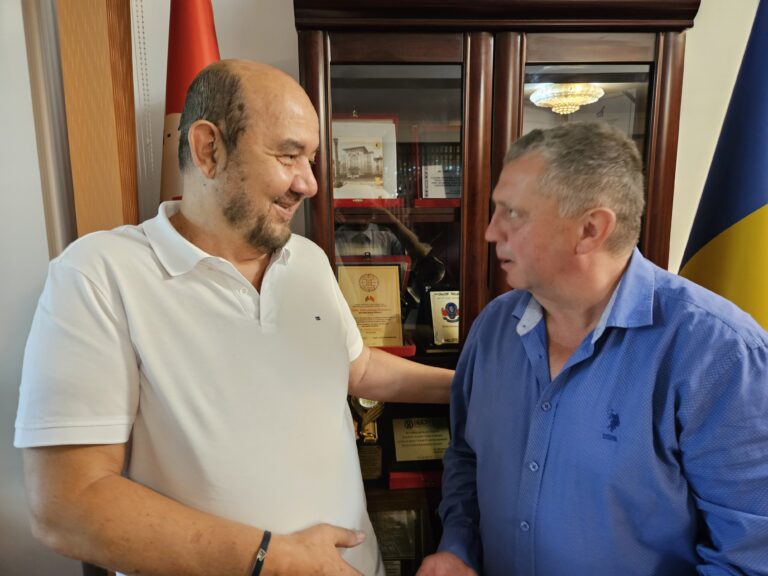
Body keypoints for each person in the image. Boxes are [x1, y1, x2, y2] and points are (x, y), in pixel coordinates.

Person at [15, 59, 453, 576]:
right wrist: (274, 559)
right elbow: (67, 506)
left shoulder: (308, 260)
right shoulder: (98, 274)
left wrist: (474, 385)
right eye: (289, 156)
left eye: (311, 159)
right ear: (209, 149)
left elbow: (357, 368)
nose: (309, 183)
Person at [417, 122, 768, 576]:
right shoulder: (492, 329)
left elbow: (749, 557)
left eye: (513, 213)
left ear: (590, 229)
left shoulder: (719, 354)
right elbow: (466, 458)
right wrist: (458, 547)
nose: (490, 232)